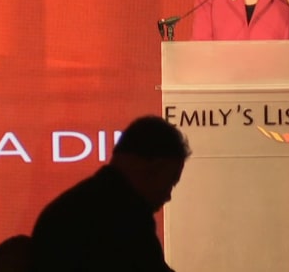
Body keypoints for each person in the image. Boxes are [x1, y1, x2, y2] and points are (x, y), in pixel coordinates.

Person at [28, 115, 191, 272]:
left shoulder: (72, 207)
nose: (168, 195)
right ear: (154, 168)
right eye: (170, 182)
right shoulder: (126, 218)